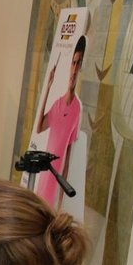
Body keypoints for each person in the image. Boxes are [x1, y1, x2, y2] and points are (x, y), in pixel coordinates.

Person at [34, 36, 86, 208]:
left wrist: (62, 199)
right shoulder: (57, 104)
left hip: (58, 178)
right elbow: (39, 127)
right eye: (74, 62)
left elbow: (69, 153)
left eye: (79, 63)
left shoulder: (77, 109)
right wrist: (47, 87)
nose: (75, 68)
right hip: (45, 172)